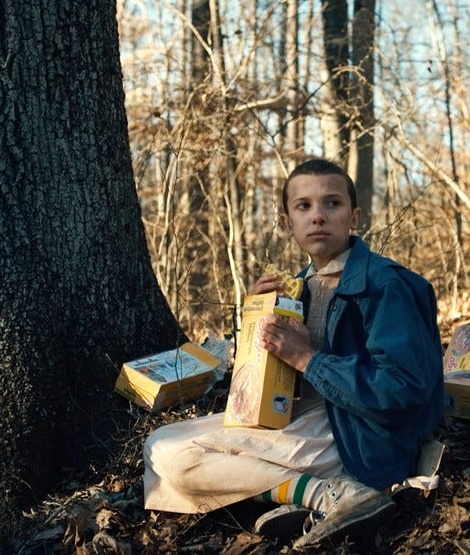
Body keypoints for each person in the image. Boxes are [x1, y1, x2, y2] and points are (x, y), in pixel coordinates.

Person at [143, 158, 444, 550]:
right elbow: (269, 385)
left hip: (358, 436)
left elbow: (402, 391)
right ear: (287, 223)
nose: (318, 216)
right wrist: (257, 318)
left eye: (332, 203)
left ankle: (331, 494)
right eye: (304, 206)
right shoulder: (297, 287)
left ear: (354, 217)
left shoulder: (385, 286)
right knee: (160, 442)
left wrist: (307, 358)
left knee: (179, 460)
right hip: (302, 419)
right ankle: (306, 493)